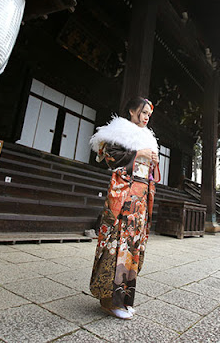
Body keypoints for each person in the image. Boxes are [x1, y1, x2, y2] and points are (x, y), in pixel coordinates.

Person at [89, 97, 160, 320]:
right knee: (118, 243)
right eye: (144, 112)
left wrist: (153, 161)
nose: (147, 116)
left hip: (140, 199)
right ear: (132, 111)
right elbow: (111, 159)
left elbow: (149, 173)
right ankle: (110, 301)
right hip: (125, 197)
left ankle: (125, 298)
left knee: (133, 246)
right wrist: (139, 155)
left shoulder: (148, 137)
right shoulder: (119, 131)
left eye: (149, 113)